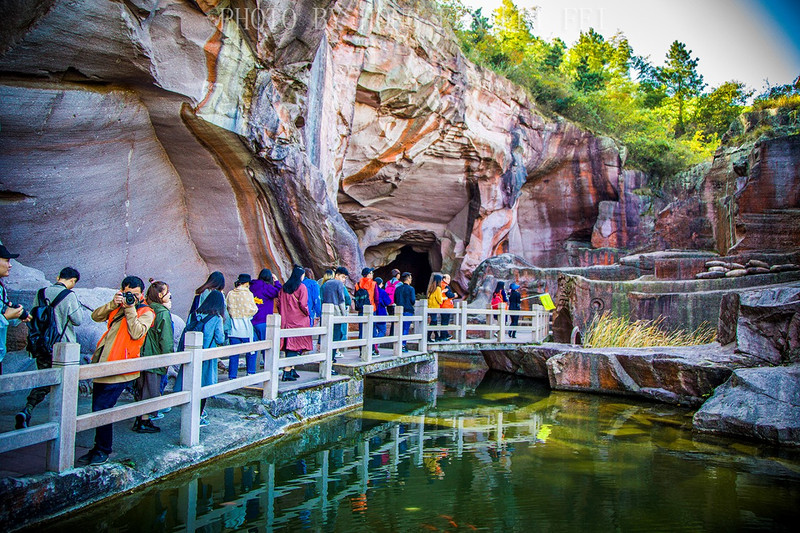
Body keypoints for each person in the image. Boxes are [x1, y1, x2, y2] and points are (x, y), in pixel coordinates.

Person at [78, 276, 155, 465]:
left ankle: (103, 449)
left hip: (122, 367)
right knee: (98, 408)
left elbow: (137, 332)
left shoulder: (146, 311)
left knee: (102, 408)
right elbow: (96, 316)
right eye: (128, 294)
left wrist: (130, 309)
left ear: (142, 294)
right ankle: (98, 447)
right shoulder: (117, 306)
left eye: (135, 294)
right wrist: (114, 303)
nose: (132, 297)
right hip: (103, 363)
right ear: (121, 291)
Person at [14, 267, 81, 428]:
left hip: (43, 345)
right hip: (63, 348)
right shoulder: (69, 295)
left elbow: (33, 317)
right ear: (72, 281)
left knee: (45, 379)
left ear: (58, 277)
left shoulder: (41, 293)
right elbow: (77, 320)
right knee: (66, 384)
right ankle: (65, 421)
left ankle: (28, 409)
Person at [175, 290, 226, 427]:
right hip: (206, 356)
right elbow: (220, 338)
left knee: (190, 383)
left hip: (190, 355)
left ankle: (188, 413)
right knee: (203, 385)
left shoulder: (194, 315)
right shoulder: (216, 318)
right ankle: (198, 416)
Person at [132, 279, 173, 433]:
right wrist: (168, 358)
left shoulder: (143, 309)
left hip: (139, 353)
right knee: (151, 387)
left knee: (141, 386)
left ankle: (140, 419)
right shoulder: (162, 313)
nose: (169, 295)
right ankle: (144, 420)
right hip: (154, 354)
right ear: (161, 294)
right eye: (167, 292)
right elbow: (166, 339)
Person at [275, 266, 312, 381]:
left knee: (288, 344)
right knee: (294, 346)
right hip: (298, 320)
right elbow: (303, 304)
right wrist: (307, 313)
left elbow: (278, 303)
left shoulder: (284, 287)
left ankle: (292, 369)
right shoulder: (301, 287)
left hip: (286, 319)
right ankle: (287, 371)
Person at [0, 244, 28, 375]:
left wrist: (17, 315)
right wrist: (5, 317)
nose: (10, 265)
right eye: (6, 260)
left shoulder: (1, 287)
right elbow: (3, 317)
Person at [226, 274, 258, 379]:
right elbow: (253, 309)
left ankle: (232, 376)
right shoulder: (248, 294)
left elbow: (227, 308)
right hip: (245, 326)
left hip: (233, 327)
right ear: (247, 283)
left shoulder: (230, 293)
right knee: (251, 351)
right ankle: (250, 373)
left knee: (234, 353)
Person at [321, 266, 348, 362]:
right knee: (336, 336)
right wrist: (344, 314)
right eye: (343, 277)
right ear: (337, 275)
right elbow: (342, 300)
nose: (343, 279)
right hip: (336, 314)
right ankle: (331, 359)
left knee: (328, 337)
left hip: (326, 313)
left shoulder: (326, 283)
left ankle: (327, 359)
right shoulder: (338, 284)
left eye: (345, 278)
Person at [249, 268, 281, 348]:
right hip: (263, 320)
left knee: (253, 349)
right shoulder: (266, 287)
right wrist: (276, 281)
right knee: (266, 348)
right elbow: (279, 292)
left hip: (251, 321)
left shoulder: (252, 286)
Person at [394, 272, 415, 352]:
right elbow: (413, 300)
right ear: (408, 278)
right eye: (410, 278)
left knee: (399, 328)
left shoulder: (398, 288)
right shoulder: (411, 289)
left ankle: (398, 344)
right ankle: (403, 344)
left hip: (399, 310)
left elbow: (395, 299)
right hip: (408, 310)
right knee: (405, 328)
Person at [354, 268, 378, 339]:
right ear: (368, 274)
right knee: (372, 329)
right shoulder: (373, 284)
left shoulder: (358, 284)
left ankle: (361, 347)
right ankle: (372, 348)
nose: (372, 274)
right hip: (371, 308)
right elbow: (376, 297)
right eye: (371, 273)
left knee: (361, 329)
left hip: (361, 309)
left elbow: (356, 296)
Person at [372, 277, 392, 355]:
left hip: (373, 313)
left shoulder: (372, 291)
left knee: (374, 330)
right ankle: (375, 344)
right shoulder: (382, 292)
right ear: (380, 284)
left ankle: (374, 344)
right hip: (381, 313)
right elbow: (388, 301)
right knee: (382, 330)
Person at [439, 274, 459, 342]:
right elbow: (449, 295)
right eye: (448, 279)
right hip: (446, 306)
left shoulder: (440, 285)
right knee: (445, 322)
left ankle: (445, 334)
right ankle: (444, 336)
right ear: (444, 279)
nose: (449, 280)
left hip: (443, 305)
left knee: (444, 321)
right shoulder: (445, 286)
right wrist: (454, 295)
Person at [426, 274, 444, 342]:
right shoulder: (438, 288)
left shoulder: (431, 288)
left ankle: (436, 336)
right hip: (435, 307)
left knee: (434, 321)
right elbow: (439, 299)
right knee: (433, 321)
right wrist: (442, 299)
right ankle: (428, 336)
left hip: (430, 307)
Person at [385, 269, 401, 335]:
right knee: (395, 321)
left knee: (392, 319)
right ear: (397, 275)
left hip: (388, 304)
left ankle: (391, 335)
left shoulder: (387, 283)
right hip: (395, 304)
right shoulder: (399, 284)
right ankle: (393, 334)